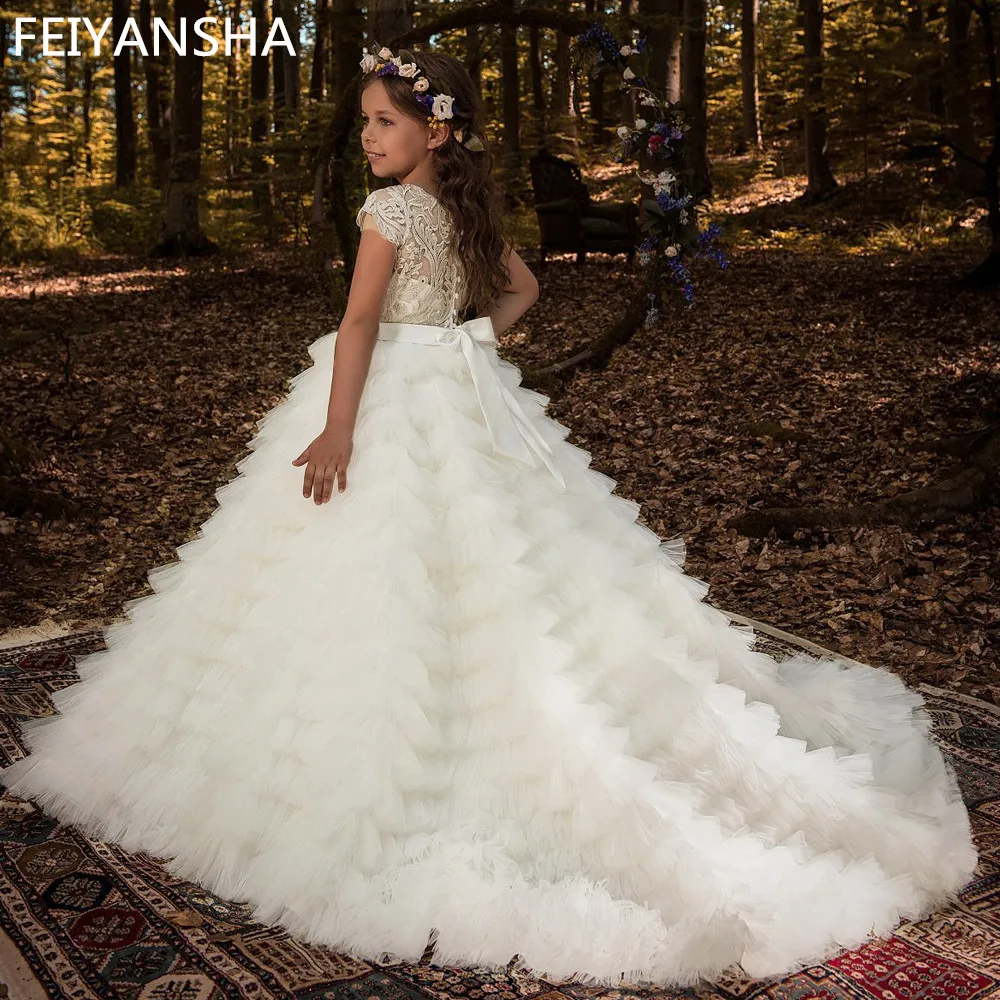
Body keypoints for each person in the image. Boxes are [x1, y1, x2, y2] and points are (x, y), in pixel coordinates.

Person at [0, 44, 978, 990]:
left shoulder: (388, 208)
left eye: (385, 123)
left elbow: (354, 323)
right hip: (462, 395)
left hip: (390, 398)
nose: (369, 139)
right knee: (497, 563)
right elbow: (524, 290)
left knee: (383, 568)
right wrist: (466, 345)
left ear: (435, 127)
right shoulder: (459, 204)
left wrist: (338, 429)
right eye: (365, 125)